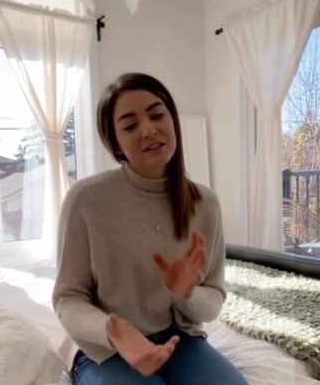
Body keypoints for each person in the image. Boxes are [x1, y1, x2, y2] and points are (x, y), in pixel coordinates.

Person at [53, 73, 247, 384]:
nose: (149, 130)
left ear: (173, 121)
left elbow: (212, 303)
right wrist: (113, 331)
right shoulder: (86, 200)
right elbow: (68, 298)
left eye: (157, 115)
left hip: (179, 339)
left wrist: (185, 294)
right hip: (106, 347)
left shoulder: (206, 204)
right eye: (130, 126)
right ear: (115, 143)